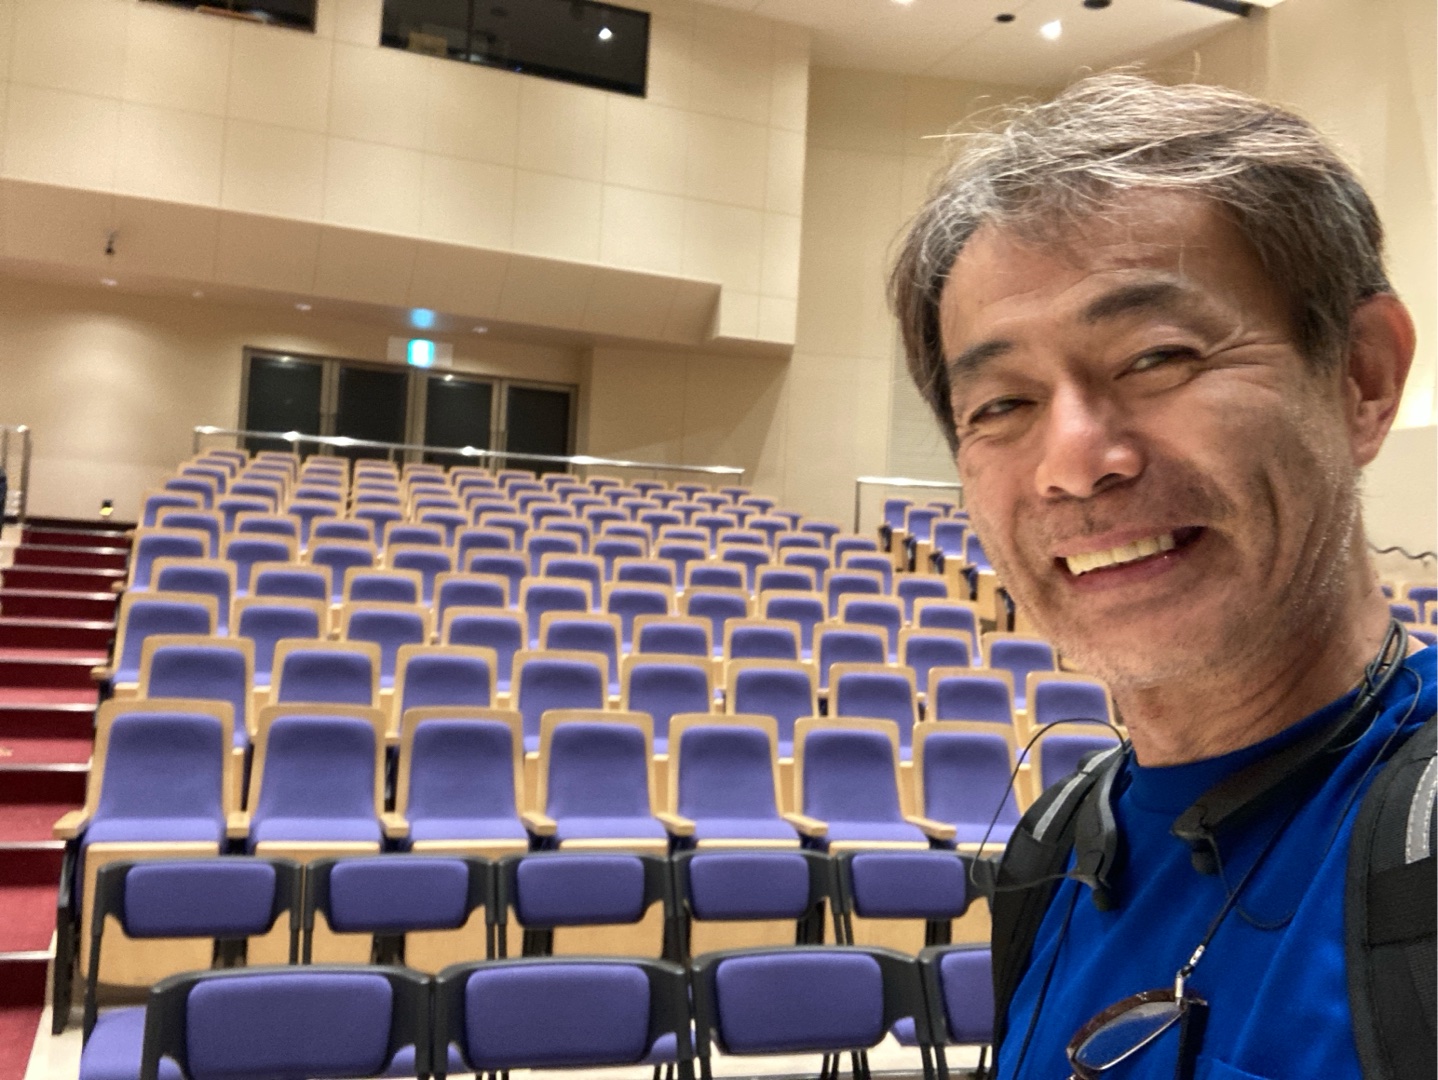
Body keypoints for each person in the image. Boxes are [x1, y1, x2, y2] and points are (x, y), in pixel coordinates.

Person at [889, 74, 1435, 1080]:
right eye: (1002, 405)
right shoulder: (1052, 850)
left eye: (1156, 357)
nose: (1072, 462)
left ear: (1362, 376)